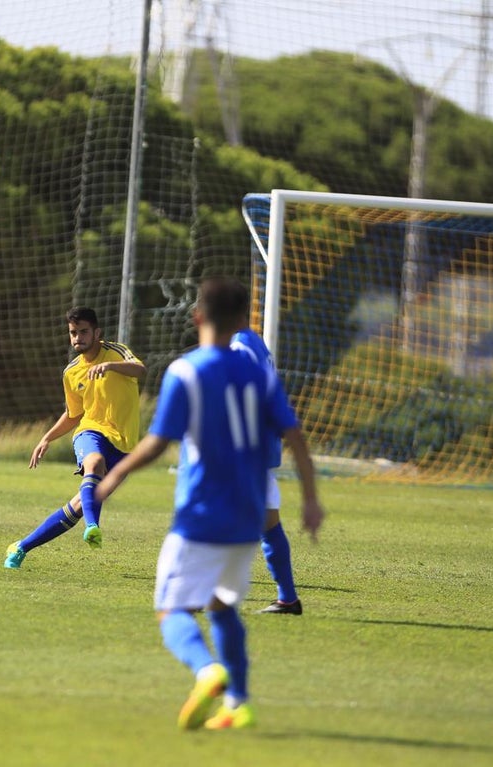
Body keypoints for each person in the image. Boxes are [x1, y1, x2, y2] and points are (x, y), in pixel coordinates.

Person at [93, 277, 324, 731]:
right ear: (243, 322)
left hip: (201, 514)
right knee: (221, 606)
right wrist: (312, 500)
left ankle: (206, 671)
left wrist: (117, 472)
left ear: (197, 316)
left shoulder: (187, 372)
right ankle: (238, 702)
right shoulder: (259, 372)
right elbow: (293, 434)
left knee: (171, 609)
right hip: (246, 515)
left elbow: (159, 442)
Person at [3, 307, 145, 569]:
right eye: (73, 333)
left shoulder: (116, 353)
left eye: (83, 332)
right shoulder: (71, 372)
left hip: (125, 444)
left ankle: (21, 546)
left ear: (97, 333)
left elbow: (139, 369)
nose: (77, 337)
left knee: (81, 504)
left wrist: (110, 366)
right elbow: (73, 415)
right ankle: (93, 526)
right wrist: (47, 438)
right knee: (94, 462)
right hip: (90, 431)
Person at [231, 323, 312, 615]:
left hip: (245, 449)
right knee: (268, 525)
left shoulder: (239, 347)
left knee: (215, 520)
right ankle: (288, 598)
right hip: (260, 447)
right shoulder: (254, 341)